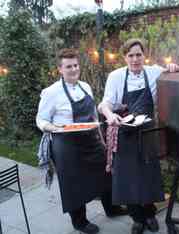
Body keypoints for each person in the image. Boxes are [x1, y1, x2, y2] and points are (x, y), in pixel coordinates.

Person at [98, 38, 179, 234]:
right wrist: (110, 115)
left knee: (148, 176)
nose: (135, 59)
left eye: (139, 55)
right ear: (124, 57)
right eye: (131, 55)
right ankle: (137, 218)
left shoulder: (154, 72)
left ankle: (149, 213)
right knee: (127, 178)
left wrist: (175, 66)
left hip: (147, 132)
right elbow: (104, 104)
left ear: (144, 56)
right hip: (125, 133)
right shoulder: (116, 76)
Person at [36, 48, 127, 234]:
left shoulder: (85, 86)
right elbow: (41, 119)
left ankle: (111, 208)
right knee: (73, 185)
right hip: (66, 145)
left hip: (91, 140)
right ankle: (80, 222)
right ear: (60, 69)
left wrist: (102, 140)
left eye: (76, 65)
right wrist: (51, 128)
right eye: (68, 66)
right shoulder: (51, 92)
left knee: (106, 174)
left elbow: (93, 114)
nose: (73, 69)